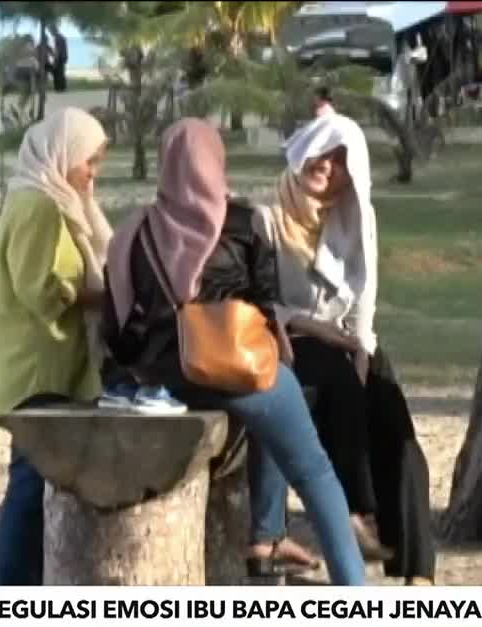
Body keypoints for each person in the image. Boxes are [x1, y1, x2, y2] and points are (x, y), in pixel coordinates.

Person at [102, 118, 367, 586]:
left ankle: (267, 537)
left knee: (278, 413)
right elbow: (266, 306)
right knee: (314, 470)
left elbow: (118, 327)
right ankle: (348, 584)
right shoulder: (243, 222)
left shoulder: (136, 232)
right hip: (239, 372)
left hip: (168, 383)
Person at [253, 112, 435, 584]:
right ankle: (356, 515)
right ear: (304, 151)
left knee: (397, 431)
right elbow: (261, 300)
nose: (328, 167)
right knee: (336, 387)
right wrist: (315, 328)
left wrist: (362, 349)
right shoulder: (265, 217)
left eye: (341, 161)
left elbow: (364, 290)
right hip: (291, 341)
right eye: (323, 154)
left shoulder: (355, 214)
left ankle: (418, 570)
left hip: (351, 340)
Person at [0, 107, 114, 585]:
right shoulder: (38, 206)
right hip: (38, 372)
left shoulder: (52, 202)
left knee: (37, 487)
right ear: (62, 153)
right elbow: (41, 291)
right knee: (28, 488)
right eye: (88, 160)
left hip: (51, 369)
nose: (92, 173)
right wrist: (106, 296)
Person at [51, 26, 69, 93]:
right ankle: (62, 88)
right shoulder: (61, 37)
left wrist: (55, 58)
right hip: (63, 56)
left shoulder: (57, 38)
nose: (51, 33)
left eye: (51, 32)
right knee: (61, 72)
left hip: (60, 57)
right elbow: (63, 48)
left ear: (54, 31)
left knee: (57, 72)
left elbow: (58, 49)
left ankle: (59, 88)